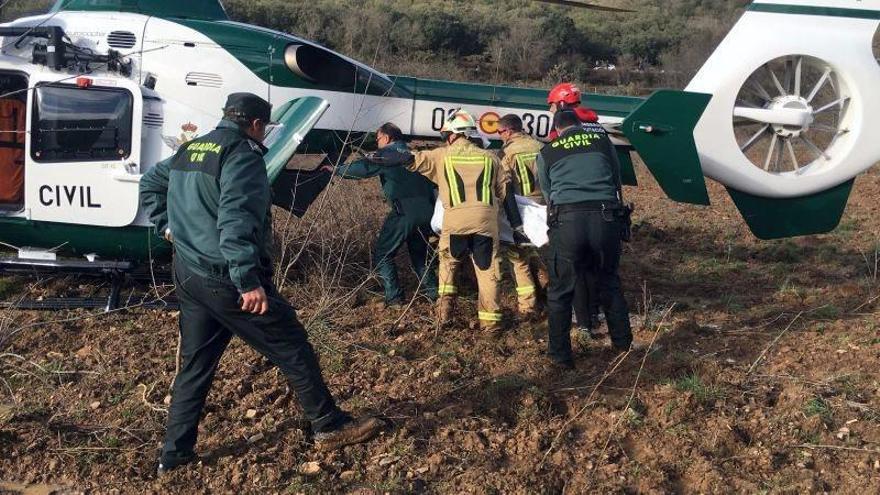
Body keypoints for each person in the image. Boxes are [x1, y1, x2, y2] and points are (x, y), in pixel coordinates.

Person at [139, 93, 383, 476]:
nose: (264, 133)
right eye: (265, 127)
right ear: (255, 124)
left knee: (195, 366)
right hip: (225, 278)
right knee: (292, 344)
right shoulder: (242, 155)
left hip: (189, 275)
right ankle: (329, 426)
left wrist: (167, 227)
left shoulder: (193, 149)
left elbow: (150, 183)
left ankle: (174, 455)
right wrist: (247, 281)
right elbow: (236, 219)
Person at [380, 111, 510, 332]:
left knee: (448, 265)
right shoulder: (491, 159)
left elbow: (409, 160)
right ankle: (491, 325)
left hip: (455, 223)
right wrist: (515, 225)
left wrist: (376, 157)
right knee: (487, 271)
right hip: (485, 225)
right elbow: (505, 193)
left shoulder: (441, 156)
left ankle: (444, 315)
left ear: (451, 135)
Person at [536, 110, 633, 368]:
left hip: (567, 222)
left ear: (557, 129)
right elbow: (615, 178)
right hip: (605, 218)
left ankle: (560, 357)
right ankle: (623, 347)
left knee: (560, 292)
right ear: (581, 125)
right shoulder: (602, 142)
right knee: (609, 282)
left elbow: (548, 193)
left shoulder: (547, 151)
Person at [333, 123, 438, 307]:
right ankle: (434, 295)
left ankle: (394, 298)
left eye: (378, 138)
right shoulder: (417, 155)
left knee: (383, 253)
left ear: (387, 138)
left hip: (404, 212)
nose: (377, 142)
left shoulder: (386, 155)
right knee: (420, 255)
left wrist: (336, 170)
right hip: (427, 212)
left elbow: (362, 169)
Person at [547, 82, 604, 338]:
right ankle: (594, 312)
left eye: (550, 106)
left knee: (575, 267)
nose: (549, 111)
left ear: (560, 105)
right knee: (595, 264)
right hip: (604, 205)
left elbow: (553, 168)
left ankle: (582, 323)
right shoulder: (595, 124)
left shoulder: (562, 129)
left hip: (571, 206)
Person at [496, 114, 549, 319]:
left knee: (517, 257)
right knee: (532, 247)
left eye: (500, 132)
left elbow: (505, 187)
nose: (500, 137)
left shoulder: (506, 153)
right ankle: (545, 280)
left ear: (508, 131)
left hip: (522, 208)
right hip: (543, 207)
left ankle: (527, 308)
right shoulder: (540, 146)